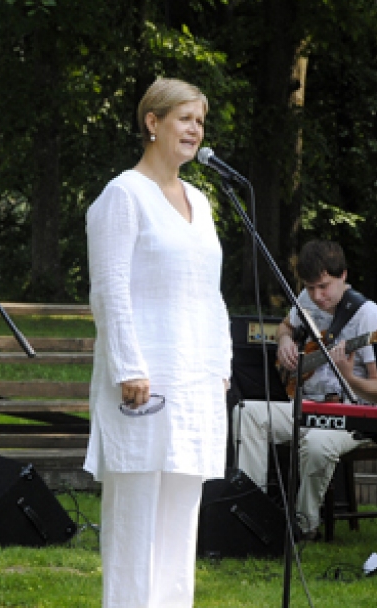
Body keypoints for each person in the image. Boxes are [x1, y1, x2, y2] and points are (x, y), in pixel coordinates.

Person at [84, 78, 231, 608]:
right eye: (185, 119)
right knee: (134, 524)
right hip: (142, 384)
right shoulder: (123, 194)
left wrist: (220, 366)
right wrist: (129, 367)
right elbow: (110, 288)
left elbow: (210, 294)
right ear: (153, 122)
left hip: (193, 384)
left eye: (200, 121)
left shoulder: (200, 200)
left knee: (179, 522)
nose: (195, 130)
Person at [232, 240, 377, 540]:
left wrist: (350, 377)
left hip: (355, 414)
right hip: (310, 405)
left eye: (324, 287)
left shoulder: (368, 317)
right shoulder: (307, 297)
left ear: (343, 275)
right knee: (247, 413)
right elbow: (285, 326)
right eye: (310, 287)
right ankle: (250, 516)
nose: (317, 296)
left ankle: (303, 527)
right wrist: (284, 341)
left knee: (318, 442)